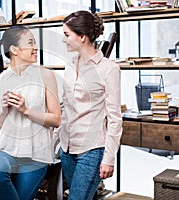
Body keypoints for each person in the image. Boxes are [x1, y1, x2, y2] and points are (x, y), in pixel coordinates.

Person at [0, 26, 61, 200]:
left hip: (36, 154)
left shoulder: (47, 76)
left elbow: (56, 119)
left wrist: (26, 110)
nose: (36, 48)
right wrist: (3, 112)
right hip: (5, 149)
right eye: (30, 43)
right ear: (14, 50)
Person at [59, 10, 123, 200]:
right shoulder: (69, 65)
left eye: (66, 35)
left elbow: (114, 118)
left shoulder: (108, 69)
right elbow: (65, 107)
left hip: (92, 150)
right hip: (67, 149)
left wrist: (109, 158)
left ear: (82, 37)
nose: (63, 40)